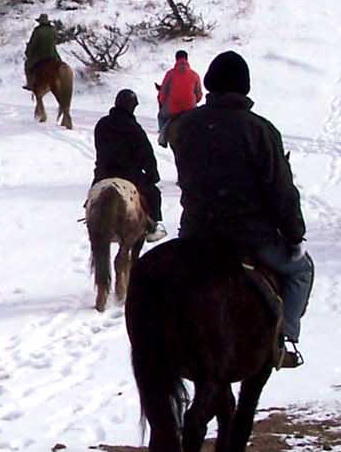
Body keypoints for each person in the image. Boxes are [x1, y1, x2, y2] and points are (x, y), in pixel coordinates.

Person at [170, 50, 314, 369]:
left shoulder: (186, 127)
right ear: (244, 88)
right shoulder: (260, 130)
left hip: (196, 232)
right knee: (302, 270)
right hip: (249, 236)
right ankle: (283, 339)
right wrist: (294, 234)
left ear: (209, 85)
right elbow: (280, 190)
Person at [92, 87, 163, 228]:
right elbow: (147, 156)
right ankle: (152, 228)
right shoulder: (134, 129)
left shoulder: (101, 124)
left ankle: (92, 219)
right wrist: (153, 175)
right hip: (129, 176)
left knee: (93, 198)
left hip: (103, 174)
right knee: (154, 194)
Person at [154, 49, 203, 147]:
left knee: (161, 116)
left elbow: (163, 93)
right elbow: (199, 95)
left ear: (176, 59)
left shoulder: (170, 74)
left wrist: (164, 104)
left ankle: (163, 139)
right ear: (187, 59)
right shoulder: (195, 75)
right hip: (190, 109)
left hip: (173, 108)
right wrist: (194, 101)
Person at [24, 13, 62, 87]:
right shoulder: (53, 30)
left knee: (27, 66)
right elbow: (56, 40)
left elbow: (32, 44)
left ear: (40, 22)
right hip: (53, 54)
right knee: (61, 65)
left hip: (40, 56)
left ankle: (30, 84)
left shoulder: (37, 31)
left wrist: (28, 53)